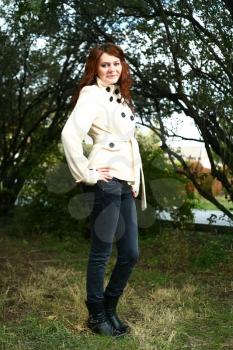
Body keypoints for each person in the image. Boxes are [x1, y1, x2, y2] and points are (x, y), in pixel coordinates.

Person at [61, 42, 147, 337]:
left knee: (131, 253)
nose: (112, 69)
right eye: (105, 64)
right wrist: (88, 172)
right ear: (95, 68)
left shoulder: (123, 98)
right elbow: (70, 134)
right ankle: (96, 316)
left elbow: (129, 145)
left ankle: (109, 307)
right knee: (101, 252)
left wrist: (134, 179)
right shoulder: (92, 94)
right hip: (107, 182)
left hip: (125, 182)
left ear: (123, 66)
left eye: (116, 63)